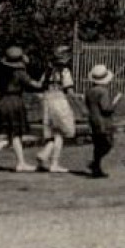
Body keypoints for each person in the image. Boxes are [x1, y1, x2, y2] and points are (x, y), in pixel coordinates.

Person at [0, 46, 35, 172]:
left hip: (3, 102)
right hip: (15, 101)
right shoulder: (20, 73)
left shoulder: (1, 73)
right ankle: (20, 163)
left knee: (11, 133)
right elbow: (34, 85)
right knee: (16, 133)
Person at [34, 44, 77, 173]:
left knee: (53, 131)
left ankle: (45, 154)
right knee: (61, 132)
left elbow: (40, 85)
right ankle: (54, 162)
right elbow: (69, 89)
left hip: (47, 100)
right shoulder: (64, 71)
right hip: (59, 100)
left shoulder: (47, 70)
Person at [82, 64, 121, 178]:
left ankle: (96, 168)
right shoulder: (103, 91)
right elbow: (106, 108)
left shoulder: (89, 91)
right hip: (103, 121)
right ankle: (95, 164)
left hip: (93, 119)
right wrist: (116, 101)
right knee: (107, 144)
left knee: (97, 144)